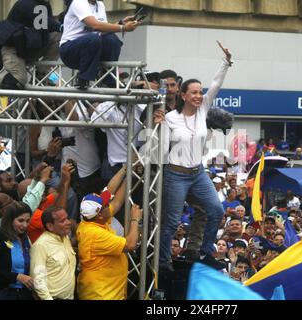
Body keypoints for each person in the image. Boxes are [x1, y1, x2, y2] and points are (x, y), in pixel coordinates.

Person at [159, 41, 232, 271]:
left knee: (216, 210)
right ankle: (162, 262)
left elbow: (216, 85)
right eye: (194, 92)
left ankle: (203, 252)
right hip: (175, 175)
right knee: (171, 222)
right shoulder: (170, 118)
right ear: (183, 95)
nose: (199, 96)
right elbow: (159, 148)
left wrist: (226, 63)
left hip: (198, 173)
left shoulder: (203, 110)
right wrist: (158, 126)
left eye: (200, 92)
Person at [76, 167, 142, 300]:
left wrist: (126, 170)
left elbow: (112, 194)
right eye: (106, 205)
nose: (109, 204)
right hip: (101, 294)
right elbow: (130, 245)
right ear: (100, 215)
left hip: (109, 292)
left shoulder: (91, 219)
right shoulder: (95, 234)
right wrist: (134, 219)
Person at [0, 0, 61, 90]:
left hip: (31, 48)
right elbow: (43, 20)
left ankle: (41, 74)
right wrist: (61, 26)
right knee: (18, 79)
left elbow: (49, 27)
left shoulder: (44, 6)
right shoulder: (24, 4)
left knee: (58, 35)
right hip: (13, 50)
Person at [59, 0, 139, 89]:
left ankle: (109, 79)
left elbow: (102, 30)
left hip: (91, 50)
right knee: (93, 38)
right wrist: (123, 28)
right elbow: (94, 25)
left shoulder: (100, 5)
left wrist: (121, 23)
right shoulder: (79, 2)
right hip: (70, 51)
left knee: (111, 39)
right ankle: (83, 79)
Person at [0, 202, 34, 300]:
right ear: (10, 220)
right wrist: (16, 276)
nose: (25, 225)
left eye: (28, 221)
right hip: (1, 293)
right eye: (21, 220)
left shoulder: (25, 238)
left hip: (22, 292)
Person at [30, 206, 76, 300]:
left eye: (67, 218)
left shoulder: (65, 238)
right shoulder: (41, 245)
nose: (68, 222)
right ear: (50, 226)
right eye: (63, 221)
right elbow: (38, 280)